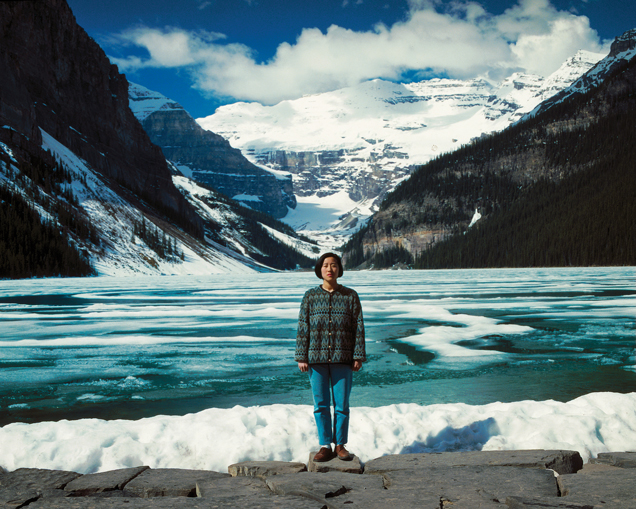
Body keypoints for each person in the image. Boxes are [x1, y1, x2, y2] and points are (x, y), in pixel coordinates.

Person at [295, 252, 366, 462]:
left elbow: (358, 327)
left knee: (342, 404)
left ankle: (341, 445)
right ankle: (325, 445)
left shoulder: (350, 296)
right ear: (319, 269)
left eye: (334, 265)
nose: (330, 269)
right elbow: (303, 327)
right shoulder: (310, 296)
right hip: (315, 358)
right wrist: (302, 356)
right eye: (326, 265)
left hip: (343, 358)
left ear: (339, 269)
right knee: (321, 404)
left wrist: (358, 355)